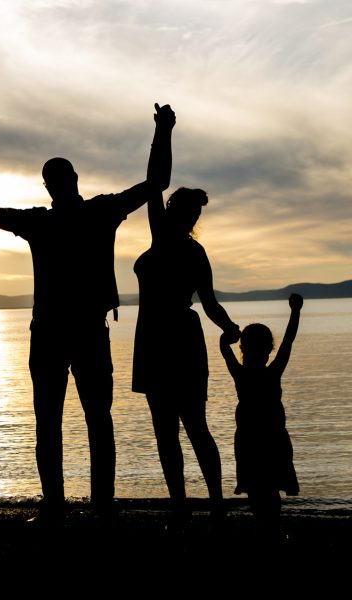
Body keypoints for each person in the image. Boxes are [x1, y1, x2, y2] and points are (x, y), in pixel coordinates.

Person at [0, 103, 174, 520]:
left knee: (65, 421)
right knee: (82, 421)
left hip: (67, 331)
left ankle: (79, 504)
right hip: (69, 331)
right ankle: (87, 504)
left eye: (56, 179)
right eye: (57, 180)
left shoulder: (60, 219)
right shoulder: (88, 214)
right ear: (65, 183)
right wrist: (163, 131)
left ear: (55, 185)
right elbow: (156, 183)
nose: (58, 185)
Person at [132, 168, 240, 522]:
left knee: (184, 427)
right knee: (178, 428)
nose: (192, 216)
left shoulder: (175, 243)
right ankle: (199, 504)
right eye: (190, 209)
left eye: (194, 211)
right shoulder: (183, 245)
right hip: (164, 338)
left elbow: (209, 303)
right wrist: (229, 327)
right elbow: (209, 304)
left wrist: (230, 327)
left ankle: (203, 503)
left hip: (165, 337)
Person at [220, 294, 302, 540]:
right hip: (270, 439)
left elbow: (224, 348)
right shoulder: (272, 372)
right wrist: (295, 311)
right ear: (268, 350)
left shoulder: (240, 373)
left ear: (243, 349)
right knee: (269, 487)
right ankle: (271, 529)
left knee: (257, 488)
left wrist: (227, 337)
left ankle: (265, 528)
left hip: (251, 440)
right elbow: (288, 340)